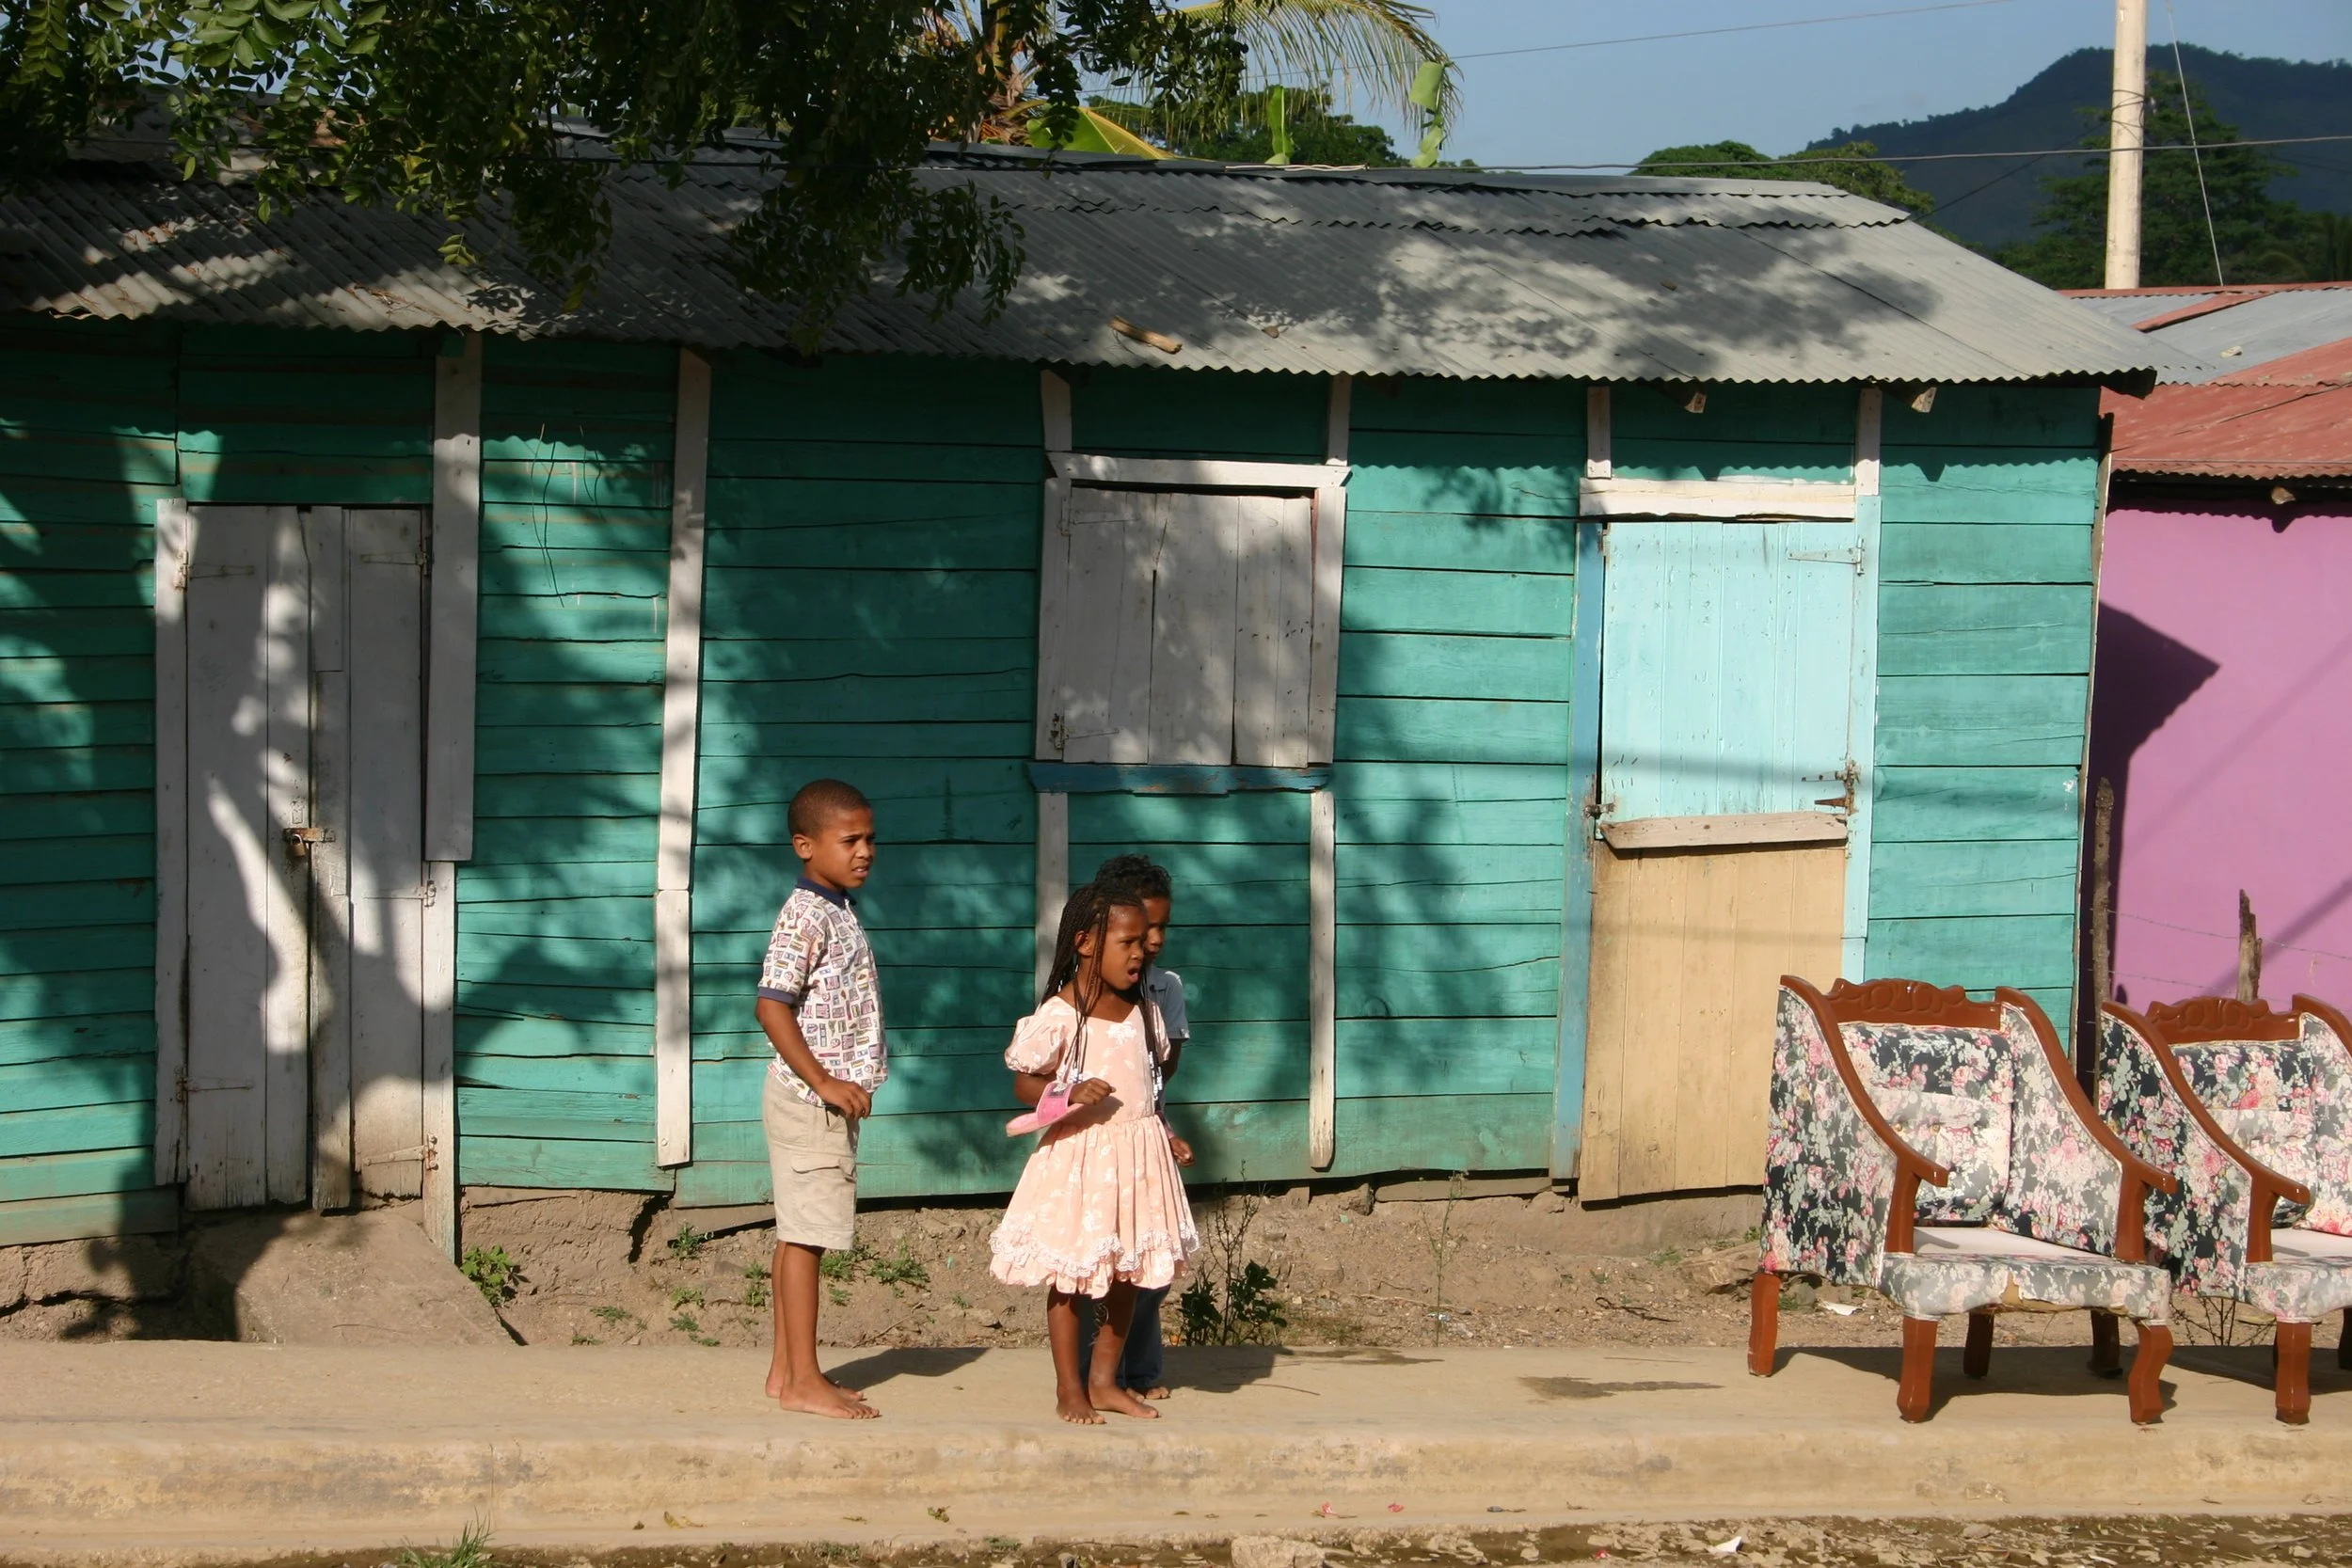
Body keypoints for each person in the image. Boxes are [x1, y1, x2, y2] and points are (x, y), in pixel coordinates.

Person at [991, 880, 1199, 1423]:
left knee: (1126, 1272)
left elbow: (1146, 1090)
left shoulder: (1144, 1014)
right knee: (1073, 1280)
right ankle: (1070, 1389)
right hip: (1080, 1161)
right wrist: (1067, 1093)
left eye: (1145, 940)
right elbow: (1023, 1086)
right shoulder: (1060, 1016)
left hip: (1137, 1162)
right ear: (1085, 943)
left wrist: (1166, 1131)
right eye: (1127, 942)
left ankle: (1106, 1381)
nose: (1141, 951)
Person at [755, 778, 885, 1420]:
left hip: (818, 1103)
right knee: (807, 1238)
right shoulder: (806, 914)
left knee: (796, 1235)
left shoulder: (836, 907)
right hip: (811, 1104)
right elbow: (771, 1006)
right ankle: (807, 1380)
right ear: (805, 845)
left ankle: (787, 1371)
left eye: (870, 838)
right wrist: (823, 1081)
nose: (865, 850)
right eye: (850, 839)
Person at [1079, 853, 1192, 1400]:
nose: (1152, 940)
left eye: (1161, 927)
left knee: (1151, 1259)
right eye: (1142, 928)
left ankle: (1138, 1372)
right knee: (1097, 1262)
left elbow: (1163, 1070)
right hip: (1096, 1145)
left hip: (1148, 1138)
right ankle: (1094, 1374)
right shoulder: (1080, 994)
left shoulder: (1165, 989)